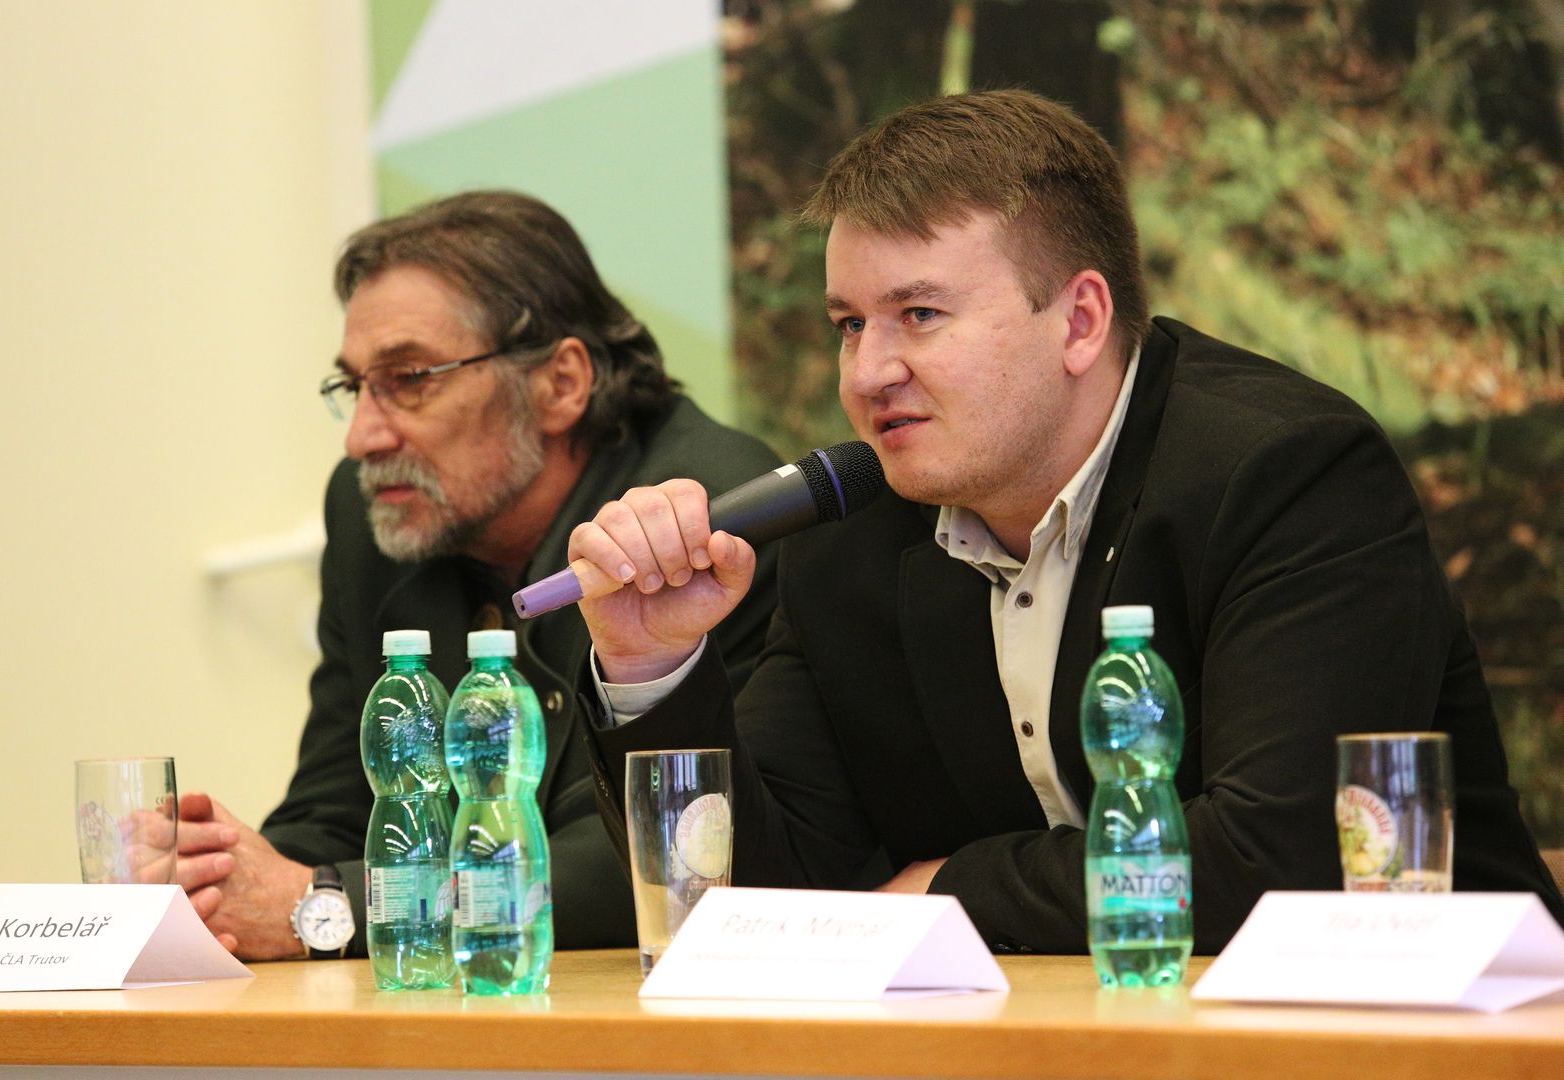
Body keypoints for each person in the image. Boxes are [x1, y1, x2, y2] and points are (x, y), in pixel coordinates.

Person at [568, 89, 1564, 952]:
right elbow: (752, 904)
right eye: (849, 324)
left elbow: (1280, 859)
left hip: (1428, 1037)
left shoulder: (1286, 475)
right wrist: (653, 666)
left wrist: (955, 890)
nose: (867, 373)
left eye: (919, 316)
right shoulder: (853, 533)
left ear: (1080, 321)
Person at [175, 191, 782, 959]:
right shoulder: (373, 514)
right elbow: (337, 807)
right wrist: (217, 881)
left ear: (561, 383)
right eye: (354, 387)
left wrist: (326, 904)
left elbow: (635, 862)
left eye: (409, 378)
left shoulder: (699, 520)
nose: (363, 437)